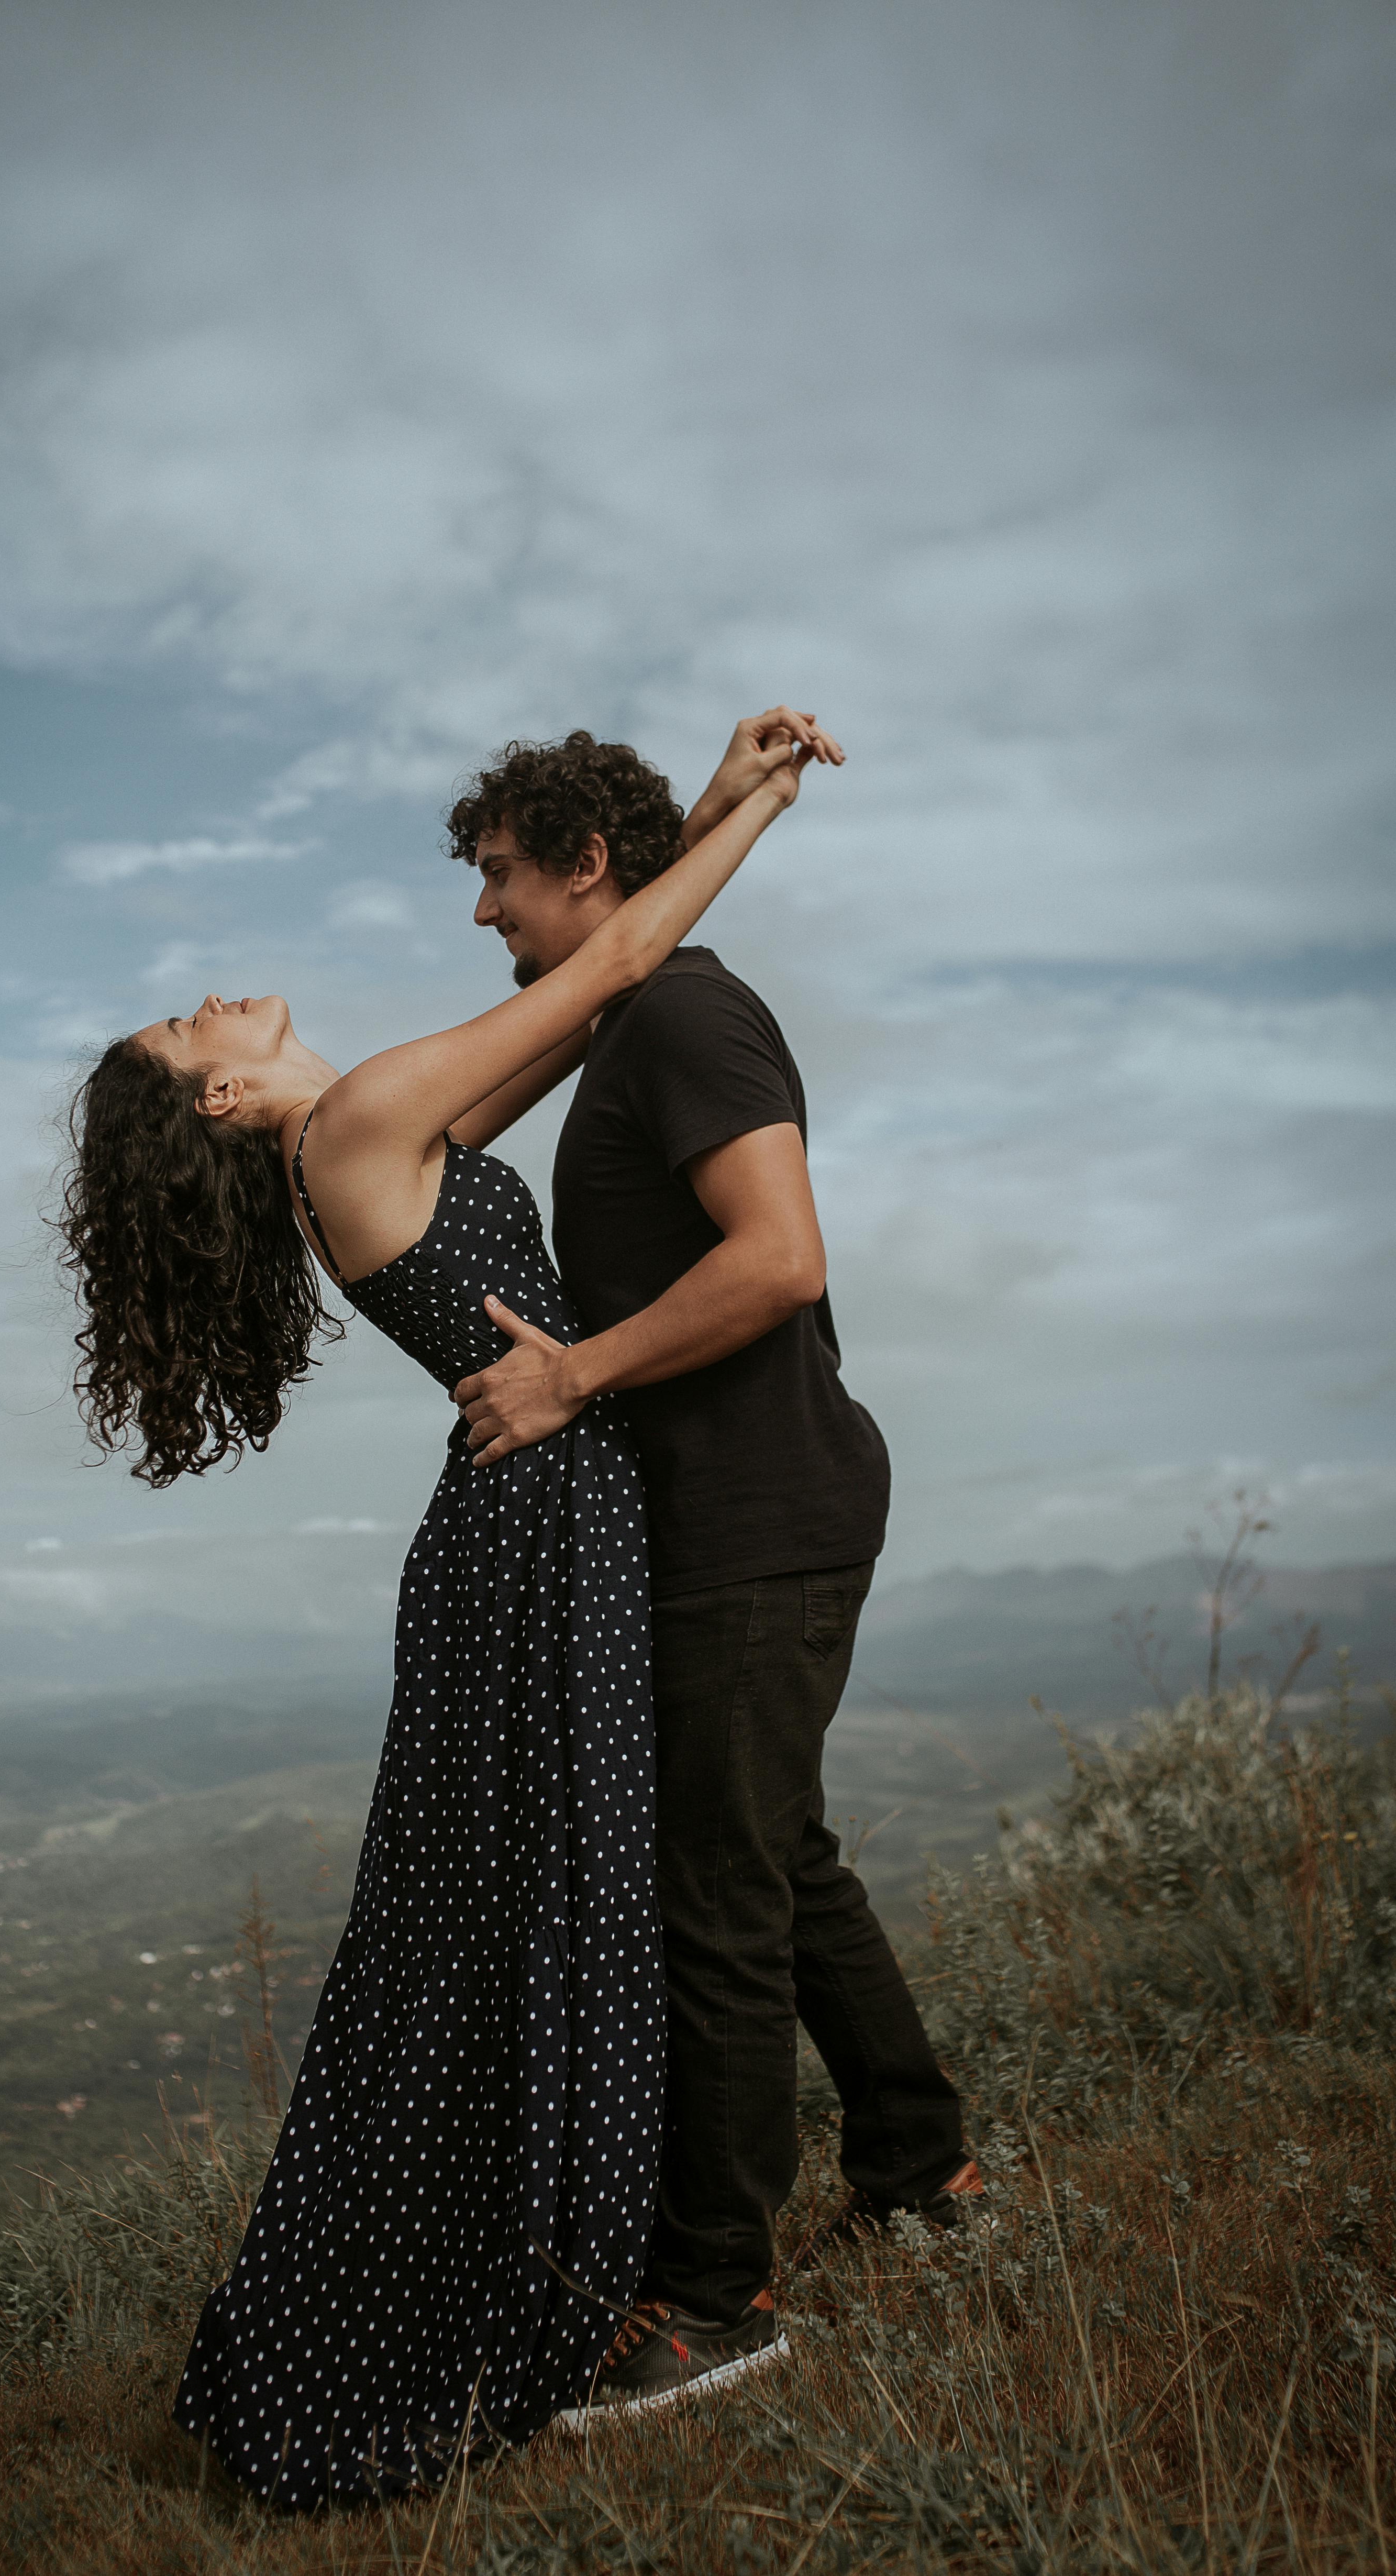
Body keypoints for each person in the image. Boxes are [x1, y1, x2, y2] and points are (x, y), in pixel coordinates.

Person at [55, 713, 829, 2508]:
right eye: (190, 1033)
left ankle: (565, 2252)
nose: (211, 1004)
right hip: (539, 1511)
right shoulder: (360, 1122)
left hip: (522, 1515)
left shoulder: (375, 1123)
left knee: (515, 1907)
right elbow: (623, 955)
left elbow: (583, 1005)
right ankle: (533, 2291)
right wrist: (768, 812)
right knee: (530, 1909)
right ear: (218, 1104)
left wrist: (693, 814)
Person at [450, 713, 979, 2429]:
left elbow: (780, 1259)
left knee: (719, 1900)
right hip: (741, 1520)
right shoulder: (636, 1012)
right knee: (782, 1857)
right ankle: (925, 2173)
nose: (485, 912)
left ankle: (719, 2295)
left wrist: (572, 1373)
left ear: (583, 865)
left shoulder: (683, 1016)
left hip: (761, 1518)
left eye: (501, 874)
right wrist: (736, 797)